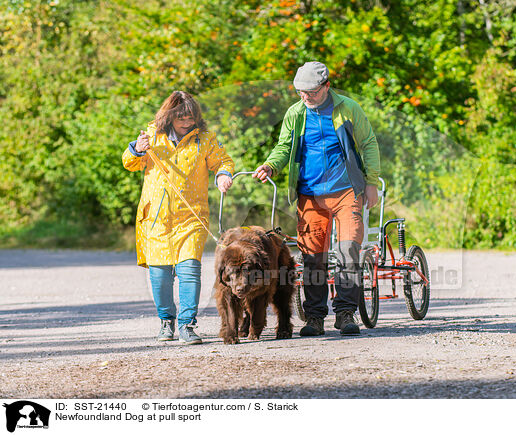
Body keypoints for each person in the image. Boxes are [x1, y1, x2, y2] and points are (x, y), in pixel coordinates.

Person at [254, 61, 380, 336]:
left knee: (348, 251)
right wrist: (270, 165)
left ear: (326, 86)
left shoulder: (348, 108)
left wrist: (371, 182)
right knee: (312, 257)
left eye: (310, 91)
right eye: (300, 91)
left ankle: (346, 312)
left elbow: (368, 142)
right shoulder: (296, 113)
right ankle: (314, 317)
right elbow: (284, 146)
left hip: (346, 190)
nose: (305, 96)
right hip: (309, 194)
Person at [123, 90, 234, 344]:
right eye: (181, 117)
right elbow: (130, 163)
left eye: (191, 117)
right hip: (156, 219)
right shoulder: (151, 136)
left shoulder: (205, 139)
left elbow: (223, 161)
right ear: (169, 116)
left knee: (189, 270)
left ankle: (187, 325)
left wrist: (223, 175)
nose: (187, 122)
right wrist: (136, 150)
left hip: (191, 217)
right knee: (159, 276)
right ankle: (166, 321)